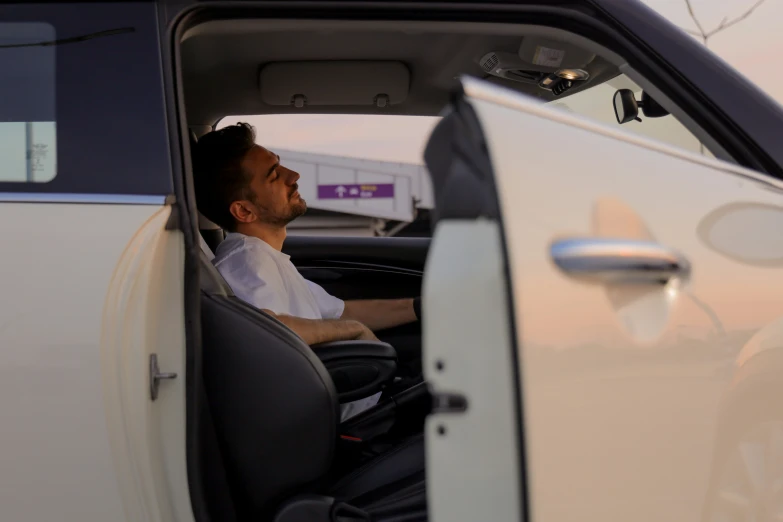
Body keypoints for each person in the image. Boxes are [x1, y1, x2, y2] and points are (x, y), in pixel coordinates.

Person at [193, 123, 421, 418]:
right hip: (348, 421)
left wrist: (420, 307)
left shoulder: (265, 257)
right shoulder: (247, 262)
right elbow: (266, 332)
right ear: (244, 211)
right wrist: (352, 331)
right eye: (274, 175)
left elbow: (341, 313)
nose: (293, 176)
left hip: (361, 404)